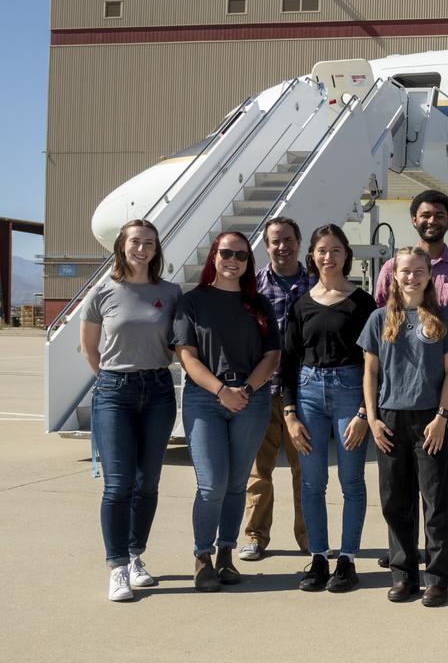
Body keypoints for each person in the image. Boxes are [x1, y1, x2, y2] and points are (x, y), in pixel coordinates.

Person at [374, 190, 448, 573]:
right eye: (424, 214)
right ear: (413, 219)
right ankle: (403, 555)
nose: (431, 219)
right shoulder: (391, 268)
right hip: (399, 395)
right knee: (398, 487)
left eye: (439, 214)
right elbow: (382, 331)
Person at [173, 232, 280, 591]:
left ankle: (226, 554)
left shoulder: (259, 305)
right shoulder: (192, 302)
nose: (233, 260)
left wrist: (246, 390)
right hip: (206, 399)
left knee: (236, 484)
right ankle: (202, 555)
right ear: (213, 257)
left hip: (251, 399)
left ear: (249, 263)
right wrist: (221, 391)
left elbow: (272, 356)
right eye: (226, 253)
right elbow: (186, 355)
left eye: (241, 255)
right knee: (212, 484)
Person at [80, 219, 181, 601]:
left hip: (157, 391)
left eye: (149, 243)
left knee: (148, 483)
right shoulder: (103, 290)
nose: (142, 248)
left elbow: (178, 345)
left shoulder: (170, 292)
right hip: (114, 392)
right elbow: (90, 349)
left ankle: (136, 556)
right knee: (119, 483)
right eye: (135, 242)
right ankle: (117, 566)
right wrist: (112, 381)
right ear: (122, 246)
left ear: (157, 249)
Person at [360, 247, 448, 606]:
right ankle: (403, 575)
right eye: (405, 271)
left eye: (419, 270)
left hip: (429, 420)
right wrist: (372, 419)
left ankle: (437, 578)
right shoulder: (378, 319)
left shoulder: (443, 318)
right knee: (395, 500)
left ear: (428, 276)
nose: (412, 277)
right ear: (394, 275)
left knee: (435, 501)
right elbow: (370, 372)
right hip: (390, 419)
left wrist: (442, 417)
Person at [281, 225, 376, 593]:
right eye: (322, 250)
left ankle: (347, 559)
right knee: (312, 481)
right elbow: (288, 361)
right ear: (312, 256)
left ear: (346, 255)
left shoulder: (362, 302)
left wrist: (365, 413)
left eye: (336, 250)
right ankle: (319, 557)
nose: (328, 257)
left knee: (351, 480)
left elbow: (374, 363)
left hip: (350, 393)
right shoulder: (301, 304)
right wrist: (289, 412)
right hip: (307, 396)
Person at [240, 216, 312, 560]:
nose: (282, 247)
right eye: (275, 241)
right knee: (259, 470)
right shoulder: (251, 289)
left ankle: (310, 537)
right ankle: (254, 535)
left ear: (299, 242)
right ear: (266, 246)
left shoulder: (316, 286)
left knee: (305, 471)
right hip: (262, 393)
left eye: (288, 239)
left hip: (303, 394)